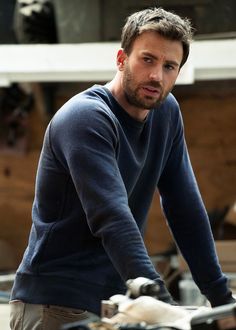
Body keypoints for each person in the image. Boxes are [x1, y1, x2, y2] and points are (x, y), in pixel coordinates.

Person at [10, 6, 235, 330]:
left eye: (169, 66)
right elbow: (112, 215)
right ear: (121, 59)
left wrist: (222, 302)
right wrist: (163, 303)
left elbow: (185, 207)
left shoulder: (166, 114)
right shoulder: (86, 118)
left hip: (115, 306)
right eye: (147, 59)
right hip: (54, 305)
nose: (157, 75)